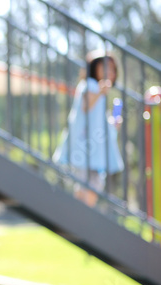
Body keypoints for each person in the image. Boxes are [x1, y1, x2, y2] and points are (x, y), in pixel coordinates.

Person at [53, 50, 124, 206]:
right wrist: (100, 91)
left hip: (92, 150)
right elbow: (85, 107)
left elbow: (98, 121)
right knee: (89, 185)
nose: (109, 72)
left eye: (112, 69)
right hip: (84, 147)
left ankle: (78, 219)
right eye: (104, 67)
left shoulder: (99, 89)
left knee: (90, 185)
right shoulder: (89, 85)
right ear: (94, 68)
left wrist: (113, 124)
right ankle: (80, 219)